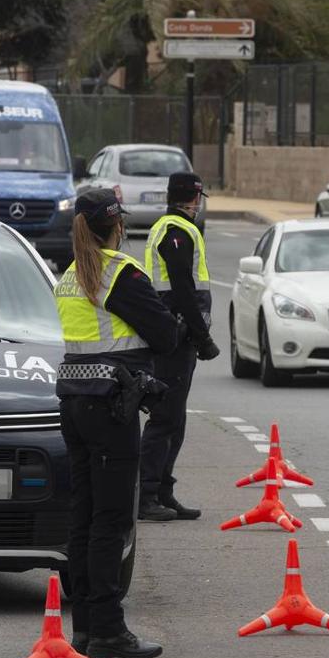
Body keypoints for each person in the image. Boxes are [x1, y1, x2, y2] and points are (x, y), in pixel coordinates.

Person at [54, 187, 181, 658]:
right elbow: (165, 335)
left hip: (74, 403)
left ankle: (85, 628)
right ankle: (108, 629)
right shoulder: (120, 273)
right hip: (109, 407)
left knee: (84, 517)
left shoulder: (69, 275)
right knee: (111, 519)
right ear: (117, 225)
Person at [138, 171, 219, 522]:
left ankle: (163, 490)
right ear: (195, 198)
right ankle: (145, 494)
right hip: (175, 334)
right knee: (165, 417)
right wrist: (203, 337)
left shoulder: (172, 228)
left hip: (177, 333)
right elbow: (184, 288)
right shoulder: (177, 231)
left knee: (175, 419)